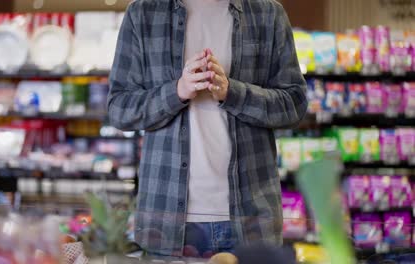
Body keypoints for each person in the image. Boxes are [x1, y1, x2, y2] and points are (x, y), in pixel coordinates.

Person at [108, 0, 308, 257]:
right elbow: (119, 108)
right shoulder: (144, 13)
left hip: (251, 222)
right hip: (167, 224)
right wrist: (177, 91)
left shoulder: (267, 13)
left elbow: (295, 104)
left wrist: (232, 92)